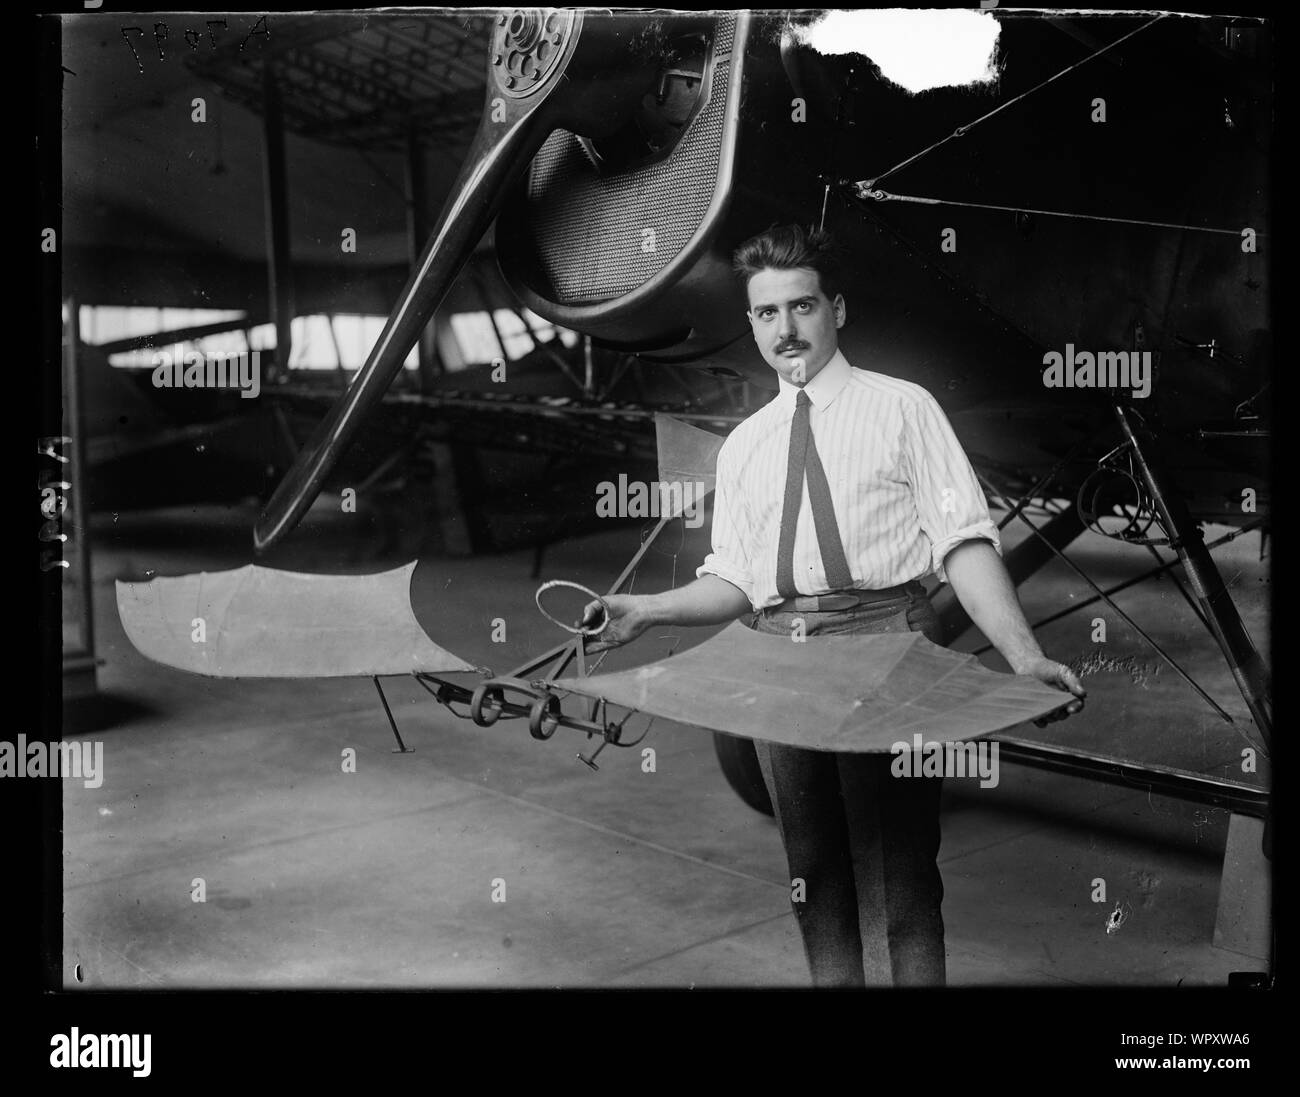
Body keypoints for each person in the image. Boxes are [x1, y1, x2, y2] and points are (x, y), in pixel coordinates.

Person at [582, 223, 1085, 987]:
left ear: (837, 309)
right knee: (812, 876)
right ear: (751, 324)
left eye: (802, 306)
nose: (786, 330)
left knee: (902, 876)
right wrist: (646, 610)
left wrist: (1023, 657)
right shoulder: (746, 445)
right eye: (766, 314)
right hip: (780, 662)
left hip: (888, 643)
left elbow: (963, 543)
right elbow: (739, 582)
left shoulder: (904, 409)